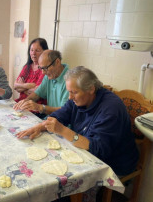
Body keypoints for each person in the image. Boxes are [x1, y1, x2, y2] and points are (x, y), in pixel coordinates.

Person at [17, 66, 139, 201]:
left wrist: (63, 130)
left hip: (114, 160)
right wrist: (39, 127)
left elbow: (97, 149)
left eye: (74, 92)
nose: (70, 97)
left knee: (61, 187)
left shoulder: (111, 109)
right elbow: (61, 114)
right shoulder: (79, 98)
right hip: (87, 148)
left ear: (91, 89)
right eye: (69, 92)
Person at [13, 50, 69, 118]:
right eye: (41, 68)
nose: (43, 72)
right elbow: (37, 94)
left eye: (45, 68)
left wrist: (39, 107)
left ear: (57, 62)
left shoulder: (69, 80)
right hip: (49, 119)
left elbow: (64, 111)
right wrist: (25, 102)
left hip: (62, 123)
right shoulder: (49, 75)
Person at [14, 38, 48, 104]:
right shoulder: (27, 67)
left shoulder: (44, 69)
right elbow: (15, 86)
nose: (33, 53)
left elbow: (37, 92)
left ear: (44, 52)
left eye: (37, 50)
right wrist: (28, 85)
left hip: (35, 106)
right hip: (21, 102)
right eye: (31, 50)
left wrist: (21, 86)